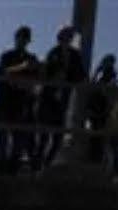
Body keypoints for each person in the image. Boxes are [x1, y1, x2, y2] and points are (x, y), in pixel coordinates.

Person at [34, 25, 85, 171]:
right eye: (64, 36)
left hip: (63, 99)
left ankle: (46, 165)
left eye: (69, 37)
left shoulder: (74, 55)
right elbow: (46, 72)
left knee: (57, 138)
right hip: (48, 98)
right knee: (43, 136)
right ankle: (37, 166)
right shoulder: (53, 53)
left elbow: (80, 74)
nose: (66, 39)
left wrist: (69, 79)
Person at [0, 26, 39, 176]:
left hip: (20, 107)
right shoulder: (7, 56)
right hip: (4, 104)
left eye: (25, 38)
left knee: (18, 145)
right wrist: (21, 68)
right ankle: (2, 174)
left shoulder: (32, 59)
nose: (22, 41)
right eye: (20, 37)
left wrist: (17, 80)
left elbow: (33, 82)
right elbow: (0, 73)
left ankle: (10, 174)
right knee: (2, 143)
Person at [86, 54, 118, 163]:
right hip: (97, 106)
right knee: (95, 132)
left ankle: (96, 157)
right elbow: (93, 87)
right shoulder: (102, 77)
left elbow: (109, 92)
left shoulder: (111, 77)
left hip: (103, 108)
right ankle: (94, 156)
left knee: (99, 133)